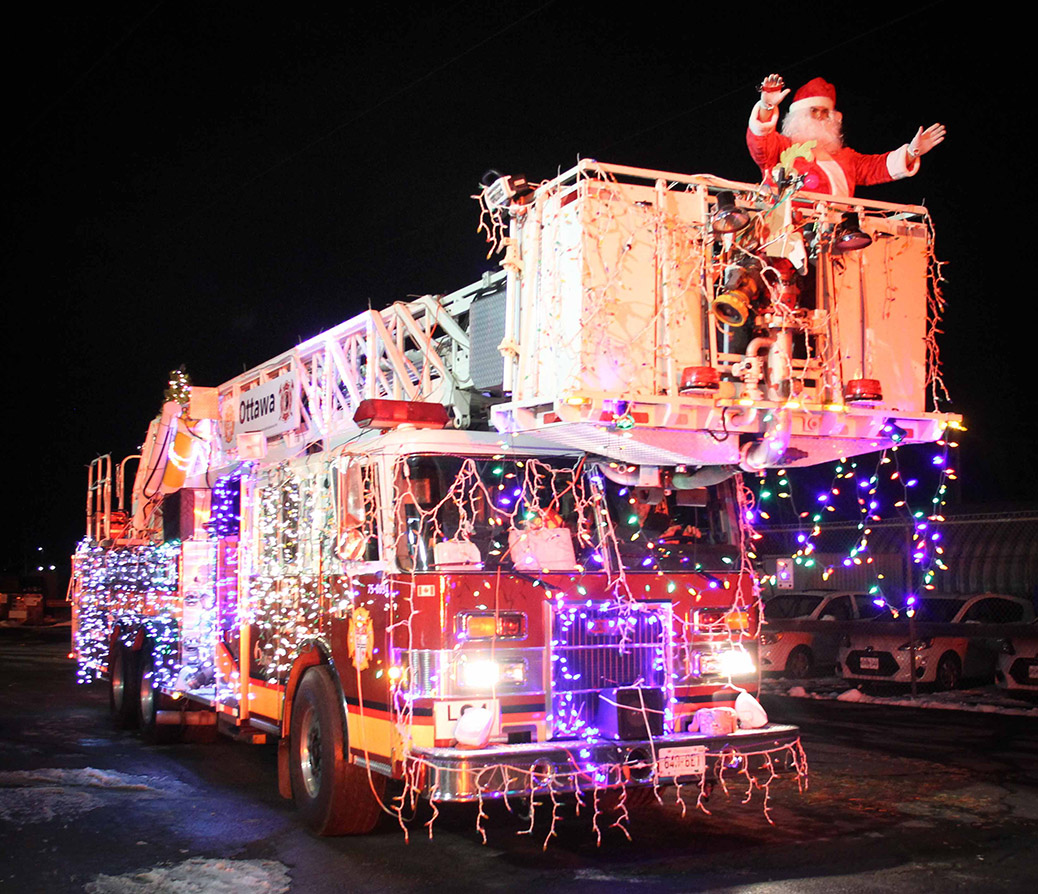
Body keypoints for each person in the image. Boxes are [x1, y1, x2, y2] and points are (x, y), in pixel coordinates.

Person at [746, 74, 945, 196]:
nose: (821, 118)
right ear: (798, 117)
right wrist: (766, 106)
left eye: (826, 113)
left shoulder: (846, 158)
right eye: (814, 111)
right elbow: (760, 143)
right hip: (785, 238)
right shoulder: (781, 148)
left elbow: (877, 167)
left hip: (835, 239)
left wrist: (912, 152)